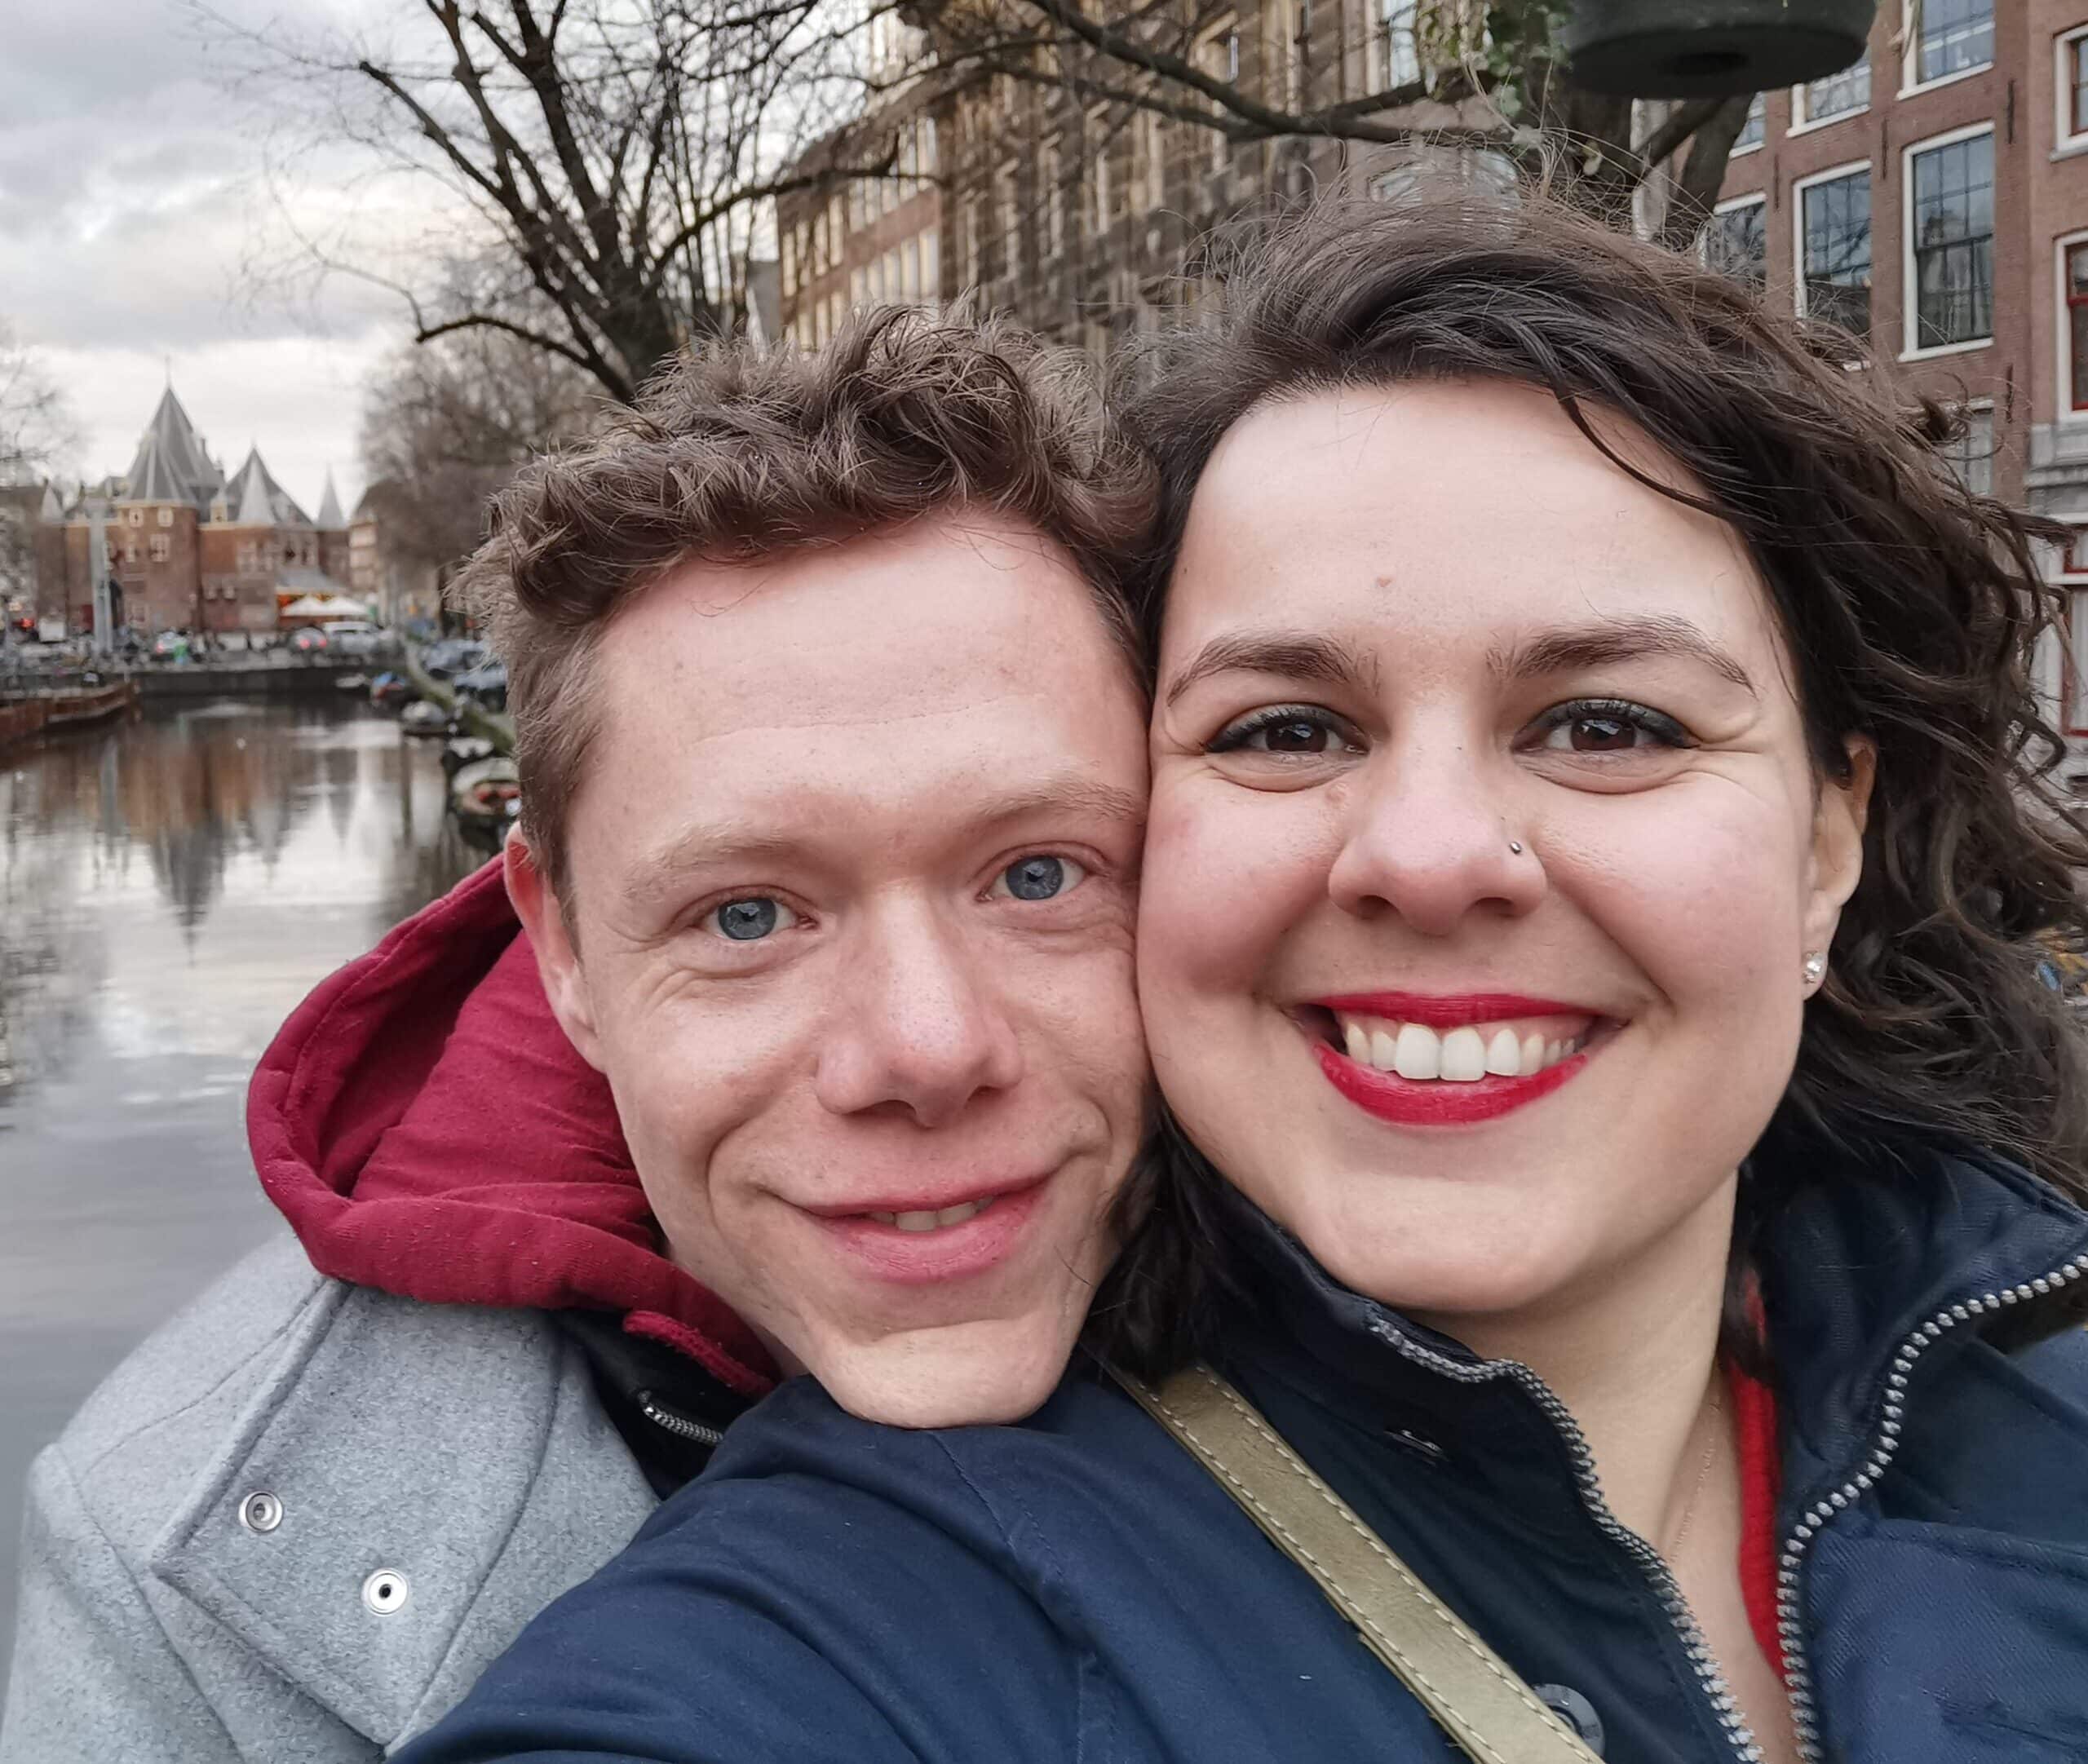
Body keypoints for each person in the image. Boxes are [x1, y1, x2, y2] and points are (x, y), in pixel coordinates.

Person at [396, 192, 2088, 1764]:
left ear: (1822, 839)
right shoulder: (843, 1627)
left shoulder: (2018, 1380)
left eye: (1605, 723)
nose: (1425, 856)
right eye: (1286, 727)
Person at [0, 312, 1156, 1762]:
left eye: (1036, 876)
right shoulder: (182, 1596)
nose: (925, 1048)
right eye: (747, 916)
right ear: (563, 950)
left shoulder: (1428, 1261)